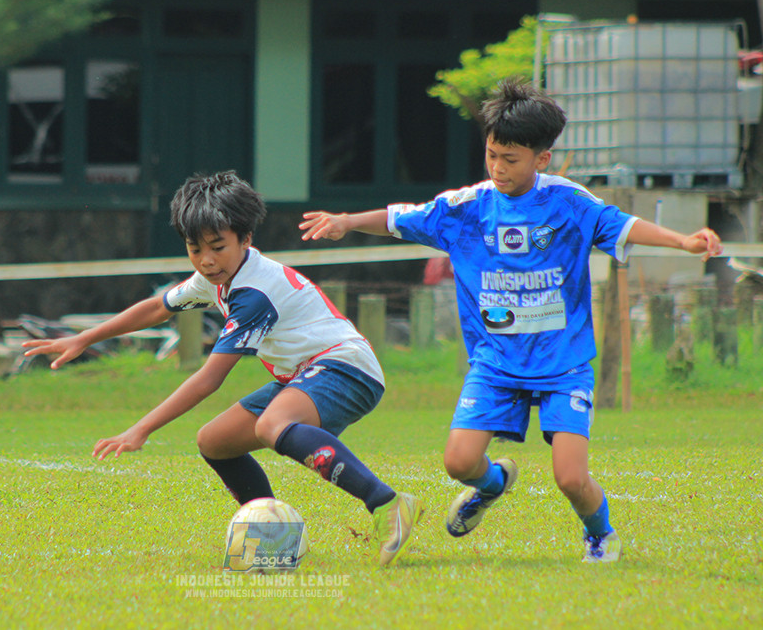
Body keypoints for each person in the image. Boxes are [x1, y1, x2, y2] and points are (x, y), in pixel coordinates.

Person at [299, 78, 723, 564]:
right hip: (495, 363)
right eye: (491, 155)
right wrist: (348, 221)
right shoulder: (468, 208)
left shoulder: (567, 202)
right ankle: (493, 482)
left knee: (570, 478)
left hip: (563, 364)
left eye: (510, 159)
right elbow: (402, 217)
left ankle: (600, 535)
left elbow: (622, 225)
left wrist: (683, 241)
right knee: (459, 461)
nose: (498, 168)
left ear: (542, 158)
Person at [22, 170, 422, 567]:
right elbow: (159, 307)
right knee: (214, 441)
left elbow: (209, 379)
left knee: (272, 425)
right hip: (304, 373)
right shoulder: (215, 277)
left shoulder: (254, 294)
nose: (206, 260)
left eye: (217, 247)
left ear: (246, 239)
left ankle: (387, 503)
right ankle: (273, 533)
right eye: (195, 249)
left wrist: (140, 429)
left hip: (346, 367)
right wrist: (85, 338)